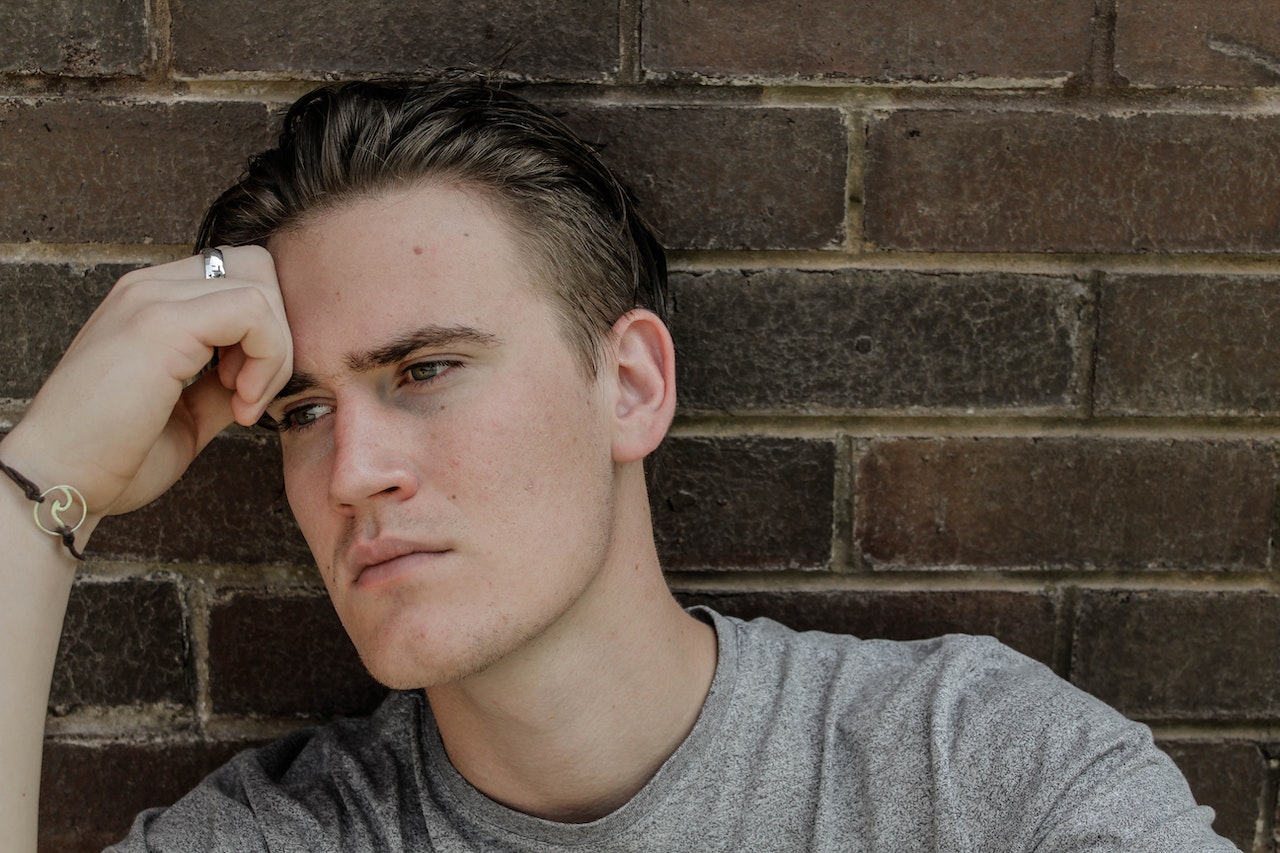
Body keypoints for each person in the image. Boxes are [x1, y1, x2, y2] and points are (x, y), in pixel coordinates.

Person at [0, 80, 1238, 852]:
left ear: (629, 386)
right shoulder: (288, 835)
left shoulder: (964, 768)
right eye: (302, 411)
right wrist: (40, 489)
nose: (349, 471)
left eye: (425, 369)